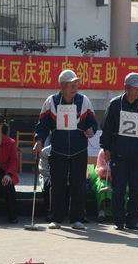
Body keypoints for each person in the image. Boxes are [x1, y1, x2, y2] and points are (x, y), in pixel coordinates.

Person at [34, 69, 98, 230]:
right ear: (62, 86)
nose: (75, 87)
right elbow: (42, 125)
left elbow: (93, 122)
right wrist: (39, 140)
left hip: (79, 149)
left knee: (79, 184)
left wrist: (91, 130)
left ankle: (77, 218)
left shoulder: (84, 101)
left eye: (76, 83)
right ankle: (56, 218)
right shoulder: (51, 101)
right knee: (57, 184)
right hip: (58, 149)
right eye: (71, 84)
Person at [100, 73, 138, 231]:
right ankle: (119, 220)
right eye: (136, 88)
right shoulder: (115, 104)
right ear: (127, 88)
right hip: (119, 152)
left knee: (137, 188)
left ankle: (133, 221)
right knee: (119, 188)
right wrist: (106, 148)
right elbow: (107, 127)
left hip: (137, 153)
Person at [92, 148, 113, 223]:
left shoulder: (120, 149)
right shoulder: (102, 152)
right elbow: (100, 172)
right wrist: (108, 170)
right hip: (102, 177)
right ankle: (102, 212)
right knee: (103, 186)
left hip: (116, 177)